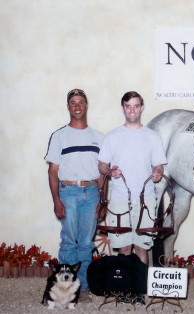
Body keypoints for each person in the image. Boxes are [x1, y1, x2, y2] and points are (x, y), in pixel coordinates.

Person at [98, 91, 167, 306]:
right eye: (128, 106)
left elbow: (159, 165)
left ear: (142, 107)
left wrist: (157, 172)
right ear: (123, 108)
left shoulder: (152, 136)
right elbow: (101, 165)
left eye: (136, 106)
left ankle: (139, 290)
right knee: (124, 247)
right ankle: (124, 289)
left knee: (142, 248)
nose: (132, 110)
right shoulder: (112, 136)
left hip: (146, 200)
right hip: (119, 200)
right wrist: (111, 171)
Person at [45, 88, 105, 303]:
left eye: (81, 102)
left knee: (87, 243)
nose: (77, 106)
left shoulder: (98, 137)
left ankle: (84, 288)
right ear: (68, 107)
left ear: (86, 106)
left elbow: (101, 173)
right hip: (68, 192)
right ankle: (66, 290)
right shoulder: (59, 136)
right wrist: (56, 200)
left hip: (91, 193)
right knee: (69, 242)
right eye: (73, 102)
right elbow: (53, 171)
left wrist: (103, 199)